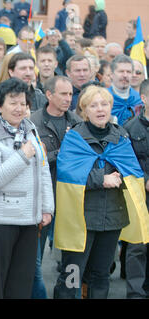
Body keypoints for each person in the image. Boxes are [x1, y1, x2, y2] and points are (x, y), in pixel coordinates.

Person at [53, 85, 149, 298]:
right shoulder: (74, 138)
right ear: (84, 110)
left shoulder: (121, 136)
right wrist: (101, 179)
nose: (100, 109)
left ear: (110, 107)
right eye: (93, 105)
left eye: (104, 104)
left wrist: (121, 178)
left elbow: (132, 172)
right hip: (81, 219)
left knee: (101, 275)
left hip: (111, 218)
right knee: (72, 275)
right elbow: (67, 176)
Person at [0, 77, 54, 298]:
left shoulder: (31, 131)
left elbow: (43, 171)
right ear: (0, 105)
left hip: (29, 219)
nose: (19, 108)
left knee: (21, 284)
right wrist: (22, 155)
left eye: (22, 103)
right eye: (13, 102)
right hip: (0, 221)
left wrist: (47, 207)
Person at [30, 76, 82, 297]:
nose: (68, 99)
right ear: (49, 95)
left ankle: (68, 294)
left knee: (73, 257)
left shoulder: (78, 122)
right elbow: (32, 159)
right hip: (43, 196)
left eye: (70, 94)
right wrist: (59, 154)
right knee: (35, 257)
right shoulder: (32, 122)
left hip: (72, 197)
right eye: (63, 94)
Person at [123, 79, 149, 299]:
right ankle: (136, 293)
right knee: (138, 245)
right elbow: (126, 161)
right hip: (139, 193)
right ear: (144, 98)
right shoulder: (131, 128)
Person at [107, 54, 144, 125]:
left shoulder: (139, 99)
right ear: (111, 74)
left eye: (128, 72)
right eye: (121, 71)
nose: (125, 75)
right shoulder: (103, 98)